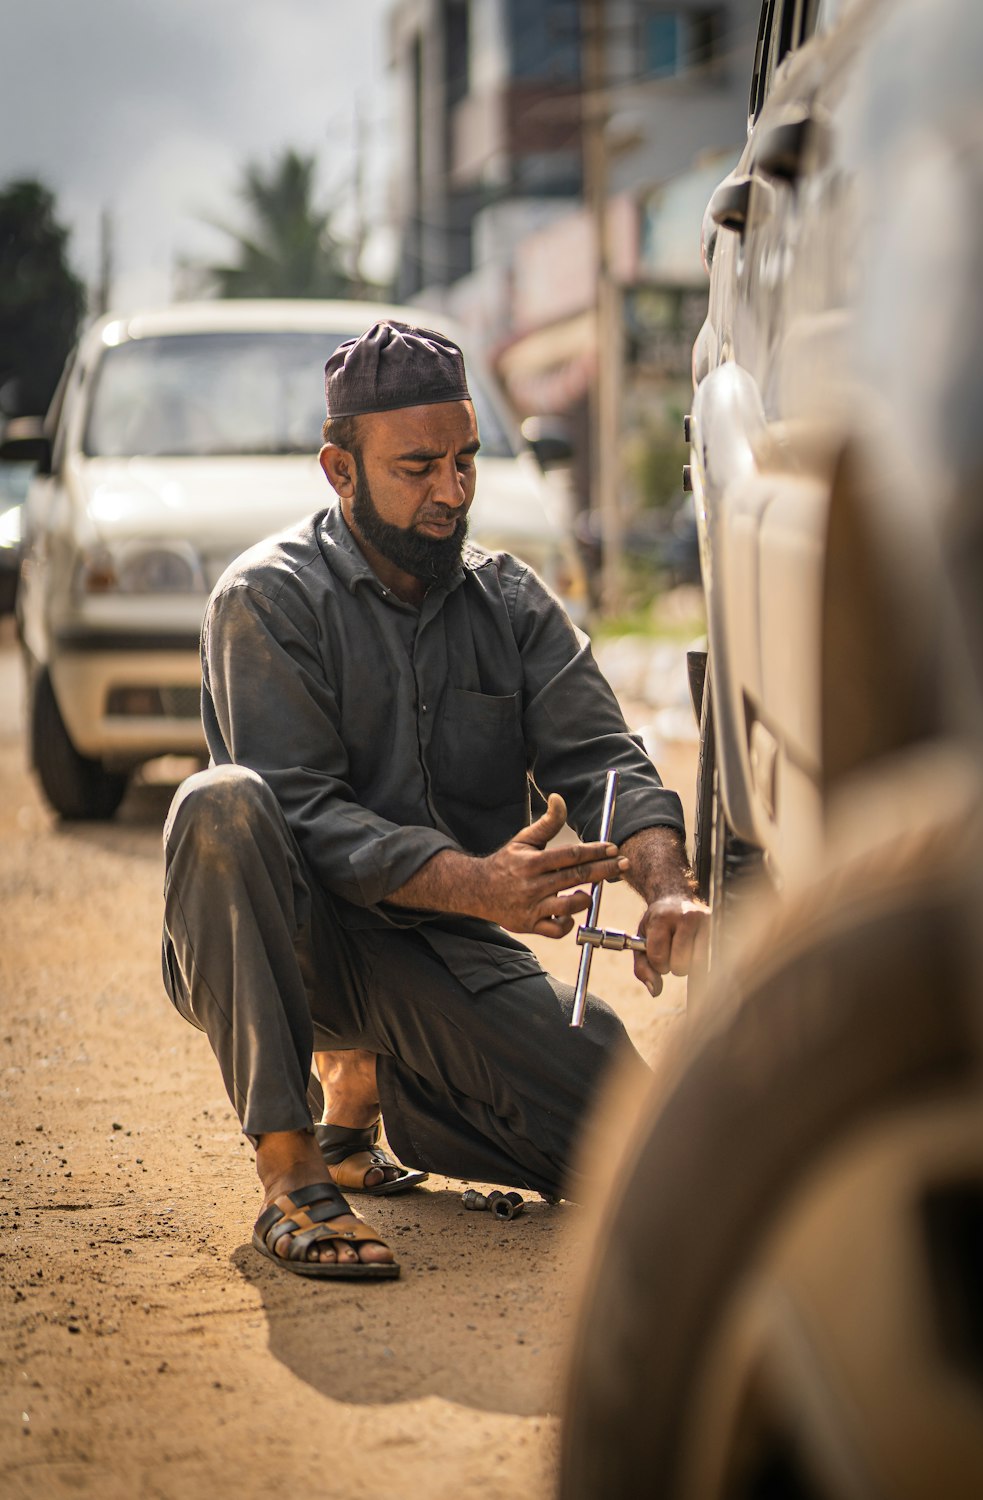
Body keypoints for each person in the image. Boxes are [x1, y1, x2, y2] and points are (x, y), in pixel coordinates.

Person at [161, 320, 707, 1281]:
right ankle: (292, 1169)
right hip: (299, 944)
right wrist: (480, 884)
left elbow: (607, 760)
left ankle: (382, 1091)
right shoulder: (264, 601)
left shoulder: (510, 601)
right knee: (221, 805)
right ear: (340, 469)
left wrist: (665, 888)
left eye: (466, 462)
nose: (450, 493)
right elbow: (304, 816)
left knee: (642, 1153)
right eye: (418, 468)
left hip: (442, 941)